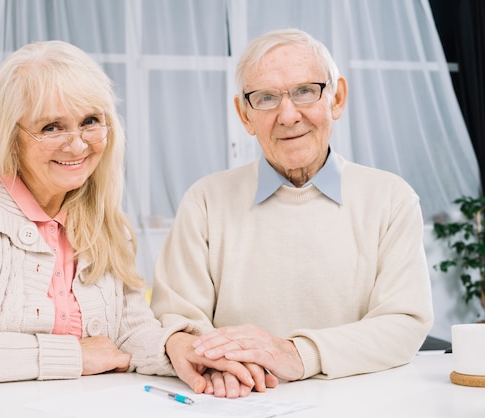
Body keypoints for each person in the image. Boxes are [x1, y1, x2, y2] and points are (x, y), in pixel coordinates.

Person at [0, 40, 255, 393]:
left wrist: (177, 347)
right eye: (51, 127)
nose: (78, 144)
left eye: (90, 121)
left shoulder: (104, 219)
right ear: (9, 135)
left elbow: (128, 332)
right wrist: (72, 356)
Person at [151, 28, 434, 396]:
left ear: (337, 98)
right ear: (245, 114)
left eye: (305, 91)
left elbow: (403, 324)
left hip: (360, 402)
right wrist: (217, 361)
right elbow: (177, 317)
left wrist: (296, 353)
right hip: (236, 401)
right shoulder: (205, 199)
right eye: (266, 98)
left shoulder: (392, 198)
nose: (288, 115)